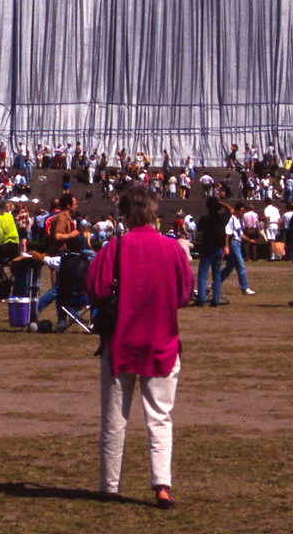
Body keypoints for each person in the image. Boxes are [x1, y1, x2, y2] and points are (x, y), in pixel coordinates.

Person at [85, 182, 193, 508]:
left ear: (126, 214)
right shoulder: (172, 249)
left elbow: (94, 288)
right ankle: (162, 484)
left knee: (114, 418)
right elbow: (186, 294)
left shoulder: (114, 248)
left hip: (121, 343)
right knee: (160, 417)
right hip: (162, 341)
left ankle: (109, 484)